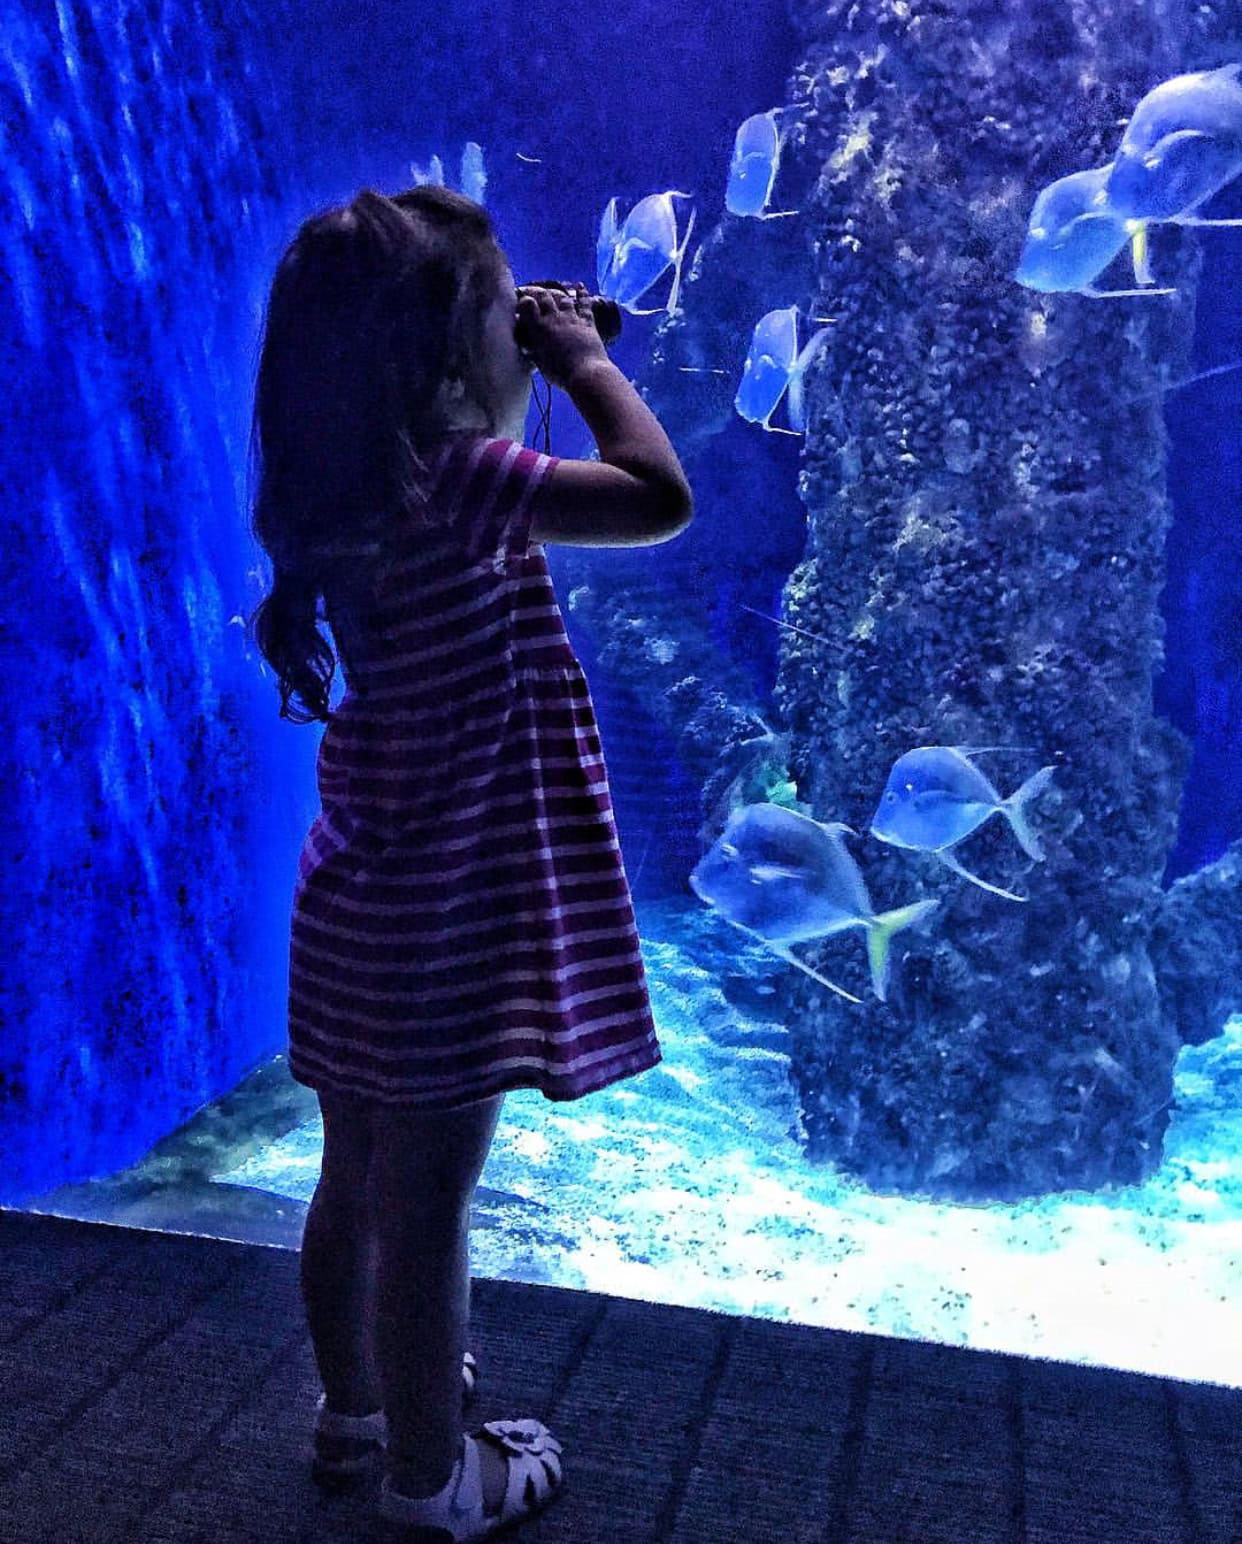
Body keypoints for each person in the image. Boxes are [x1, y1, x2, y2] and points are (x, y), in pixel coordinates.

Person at [246, 184, 693, 1541]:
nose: (533, 328)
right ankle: (434, 1481)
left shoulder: (340, 489)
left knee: (354, 1179)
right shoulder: (467, 482)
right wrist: (584, 361)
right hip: (455, 915)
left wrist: (520, 339)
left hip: (363, 898)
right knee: (429, 1205)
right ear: (450, 354)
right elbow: (656, 497)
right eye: (505, 313)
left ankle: (356, 1417)